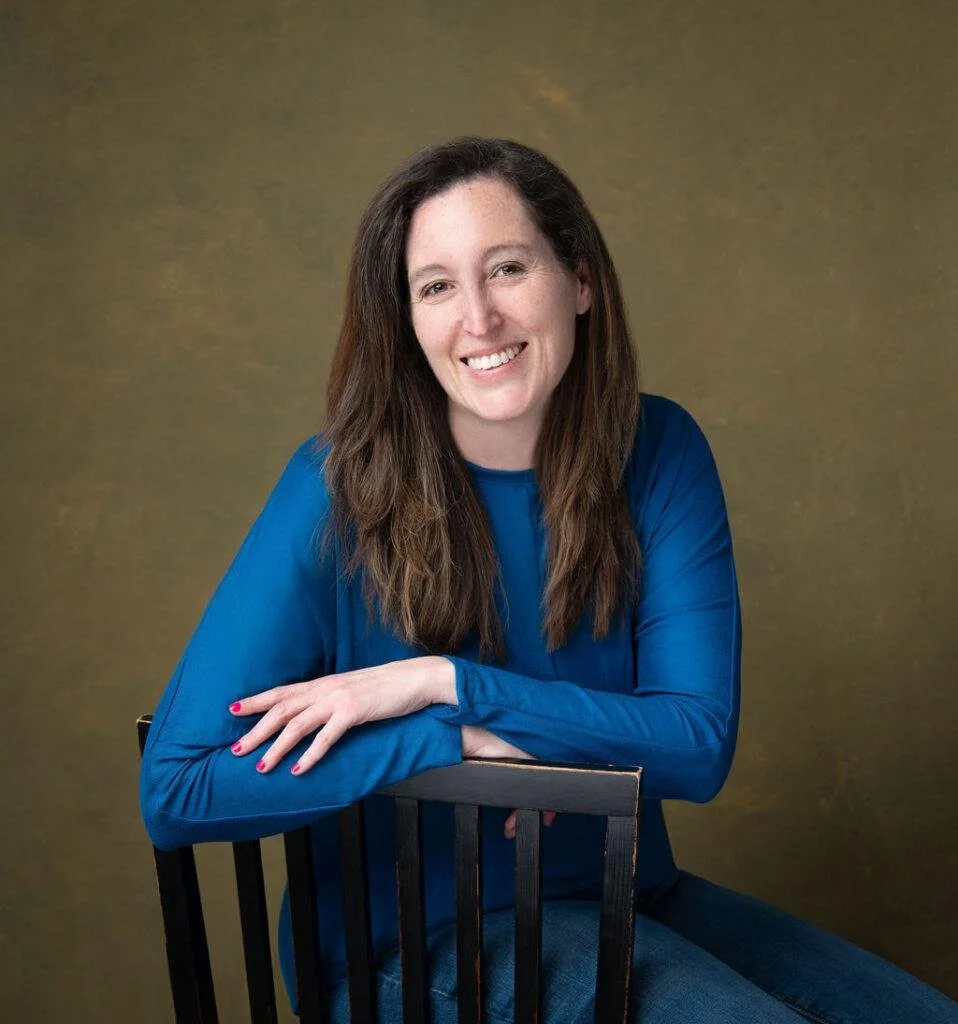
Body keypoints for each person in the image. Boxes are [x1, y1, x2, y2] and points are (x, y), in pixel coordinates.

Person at [140, 137, 957, 1023]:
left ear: (579, 280)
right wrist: (453, 738)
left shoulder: (658, 453)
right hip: (406, 951)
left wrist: (443, 683)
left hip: (624, 899)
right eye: (437, 286)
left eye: (507, 268)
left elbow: (695, 745)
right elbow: (176, 791)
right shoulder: (332, 491)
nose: (480, 319)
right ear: (407, 321)